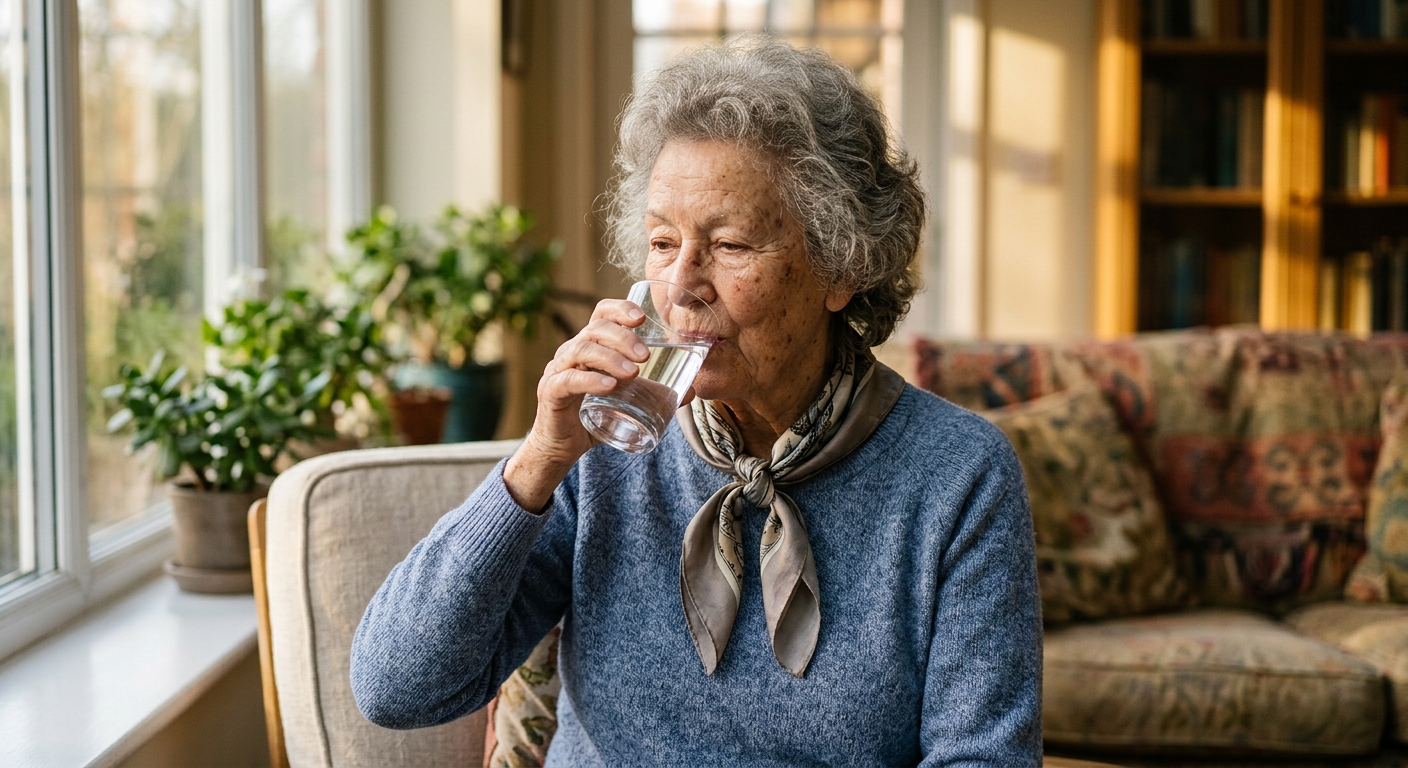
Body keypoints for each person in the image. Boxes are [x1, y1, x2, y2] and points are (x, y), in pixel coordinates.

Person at [350, 36, 1042, 766]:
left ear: (843, 268)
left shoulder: (958, 476)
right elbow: (397, 691)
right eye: (661, 242)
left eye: (731, 245)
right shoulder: (600, 456)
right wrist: (538, 459)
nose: (682, 285)